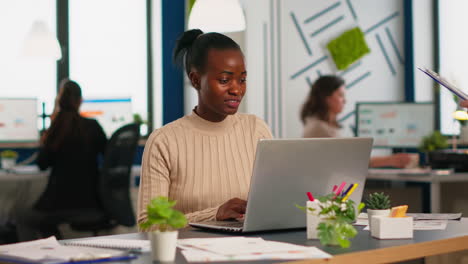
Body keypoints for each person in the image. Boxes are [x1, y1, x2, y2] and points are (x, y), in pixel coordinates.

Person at [137, 29, 272, 228]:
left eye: (242, 79)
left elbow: (273, 202)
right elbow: (147, 225)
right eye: (225, 80)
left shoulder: (256, 129)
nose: (237, 89)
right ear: (195, 79)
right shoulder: (164, 142)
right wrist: (214, 214)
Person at [17, 79, 107, 241]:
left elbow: (42, 164)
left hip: (57, 204)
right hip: (91, 203)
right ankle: (57, 249)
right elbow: (109, 157)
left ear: (59, 101)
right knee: (42, 222)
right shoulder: (92, 126)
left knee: (23, 218)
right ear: (80, 101)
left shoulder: (55, 129)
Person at [300, 75, 411, 168]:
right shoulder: (320, 129)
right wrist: (390, 160)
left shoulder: (322, 126)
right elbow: (349, 162)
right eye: (340, 95)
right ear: (326, 98)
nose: (345, 100)